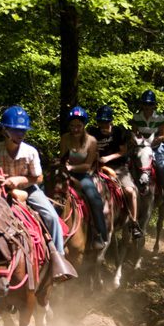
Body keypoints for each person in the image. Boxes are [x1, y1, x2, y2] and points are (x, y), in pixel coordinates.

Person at [0, 105, 77, 284]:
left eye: (23, 130)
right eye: (16, 130)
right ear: (5, 130)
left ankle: (59, 260)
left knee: (51, 217)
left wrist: (18, 180)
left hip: (29, 190)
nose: (21, 134)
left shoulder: (30, 152)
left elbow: (38, 178)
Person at [88, 105, 142, 239]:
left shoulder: (118, 132)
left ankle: (134, 222)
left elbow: (122, 151)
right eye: (100, 122)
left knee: (129, 191)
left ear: (110, 121)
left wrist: (107, 158)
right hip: (95, 167)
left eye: (105, 122)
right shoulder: (92, 132)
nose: (103, 125)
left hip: (118, 167)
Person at [59, 106, 108, 250]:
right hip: (65, 173)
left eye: (78, 126)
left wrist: (71, 168)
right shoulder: (65, 138)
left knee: (94, 199)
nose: (75, 129)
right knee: (46, 190)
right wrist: (63, 167)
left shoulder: (91, 141)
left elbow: (87, 165)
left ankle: (100, 234)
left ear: (83, 125)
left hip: (82, 175)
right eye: (72, 125)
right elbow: (62, 158)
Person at [131, 90, 164, 208]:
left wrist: (152, 142)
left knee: (162, 167)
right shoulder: (136, 117)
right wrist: (138, 141)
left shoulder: (160, 117)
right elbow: (134, 132)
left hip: (156, 146)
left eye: (150, 104)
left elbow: (163, 135)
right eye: (145, 104)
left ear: (154, 105)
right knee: (127, 162)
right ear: (142, 104)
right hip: (140, 146)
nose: (147, 107)